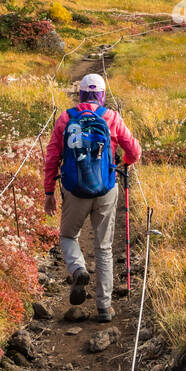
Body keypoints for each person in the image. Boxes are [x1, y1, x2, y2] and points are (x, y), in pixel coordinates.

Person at [42, 73, 141, 322]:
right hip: (106, 189)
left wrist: (49, 192)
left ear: (81, 94)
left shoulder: (66, 118)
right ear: (102, 95)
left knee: (67, 236)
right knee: (104, 248)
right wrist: (123, 163)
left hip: (74, 190)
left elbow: (52, 157)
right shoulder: (111, 117)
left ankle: (78, 269)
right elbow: (135, 151)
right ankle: (104, 307)